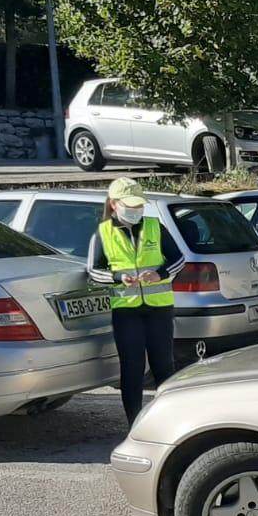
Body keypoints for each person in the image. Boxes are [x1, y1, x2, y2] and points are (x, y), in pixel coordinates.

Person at [87, 177, 183, 423]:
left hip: (159, 309)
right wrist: (119, 277)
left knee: (164, 366)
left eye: (139, 205)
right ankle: (134, 424)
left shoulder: (154, 226)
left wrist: (159, 274)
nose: (135, 211)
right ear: (113, 204)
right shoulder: (103, 233)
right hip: (126, 311)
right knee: (132, 368)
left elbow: (178, 260)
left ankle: (169, 421)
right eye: (129, 206)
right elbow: (93, 271)